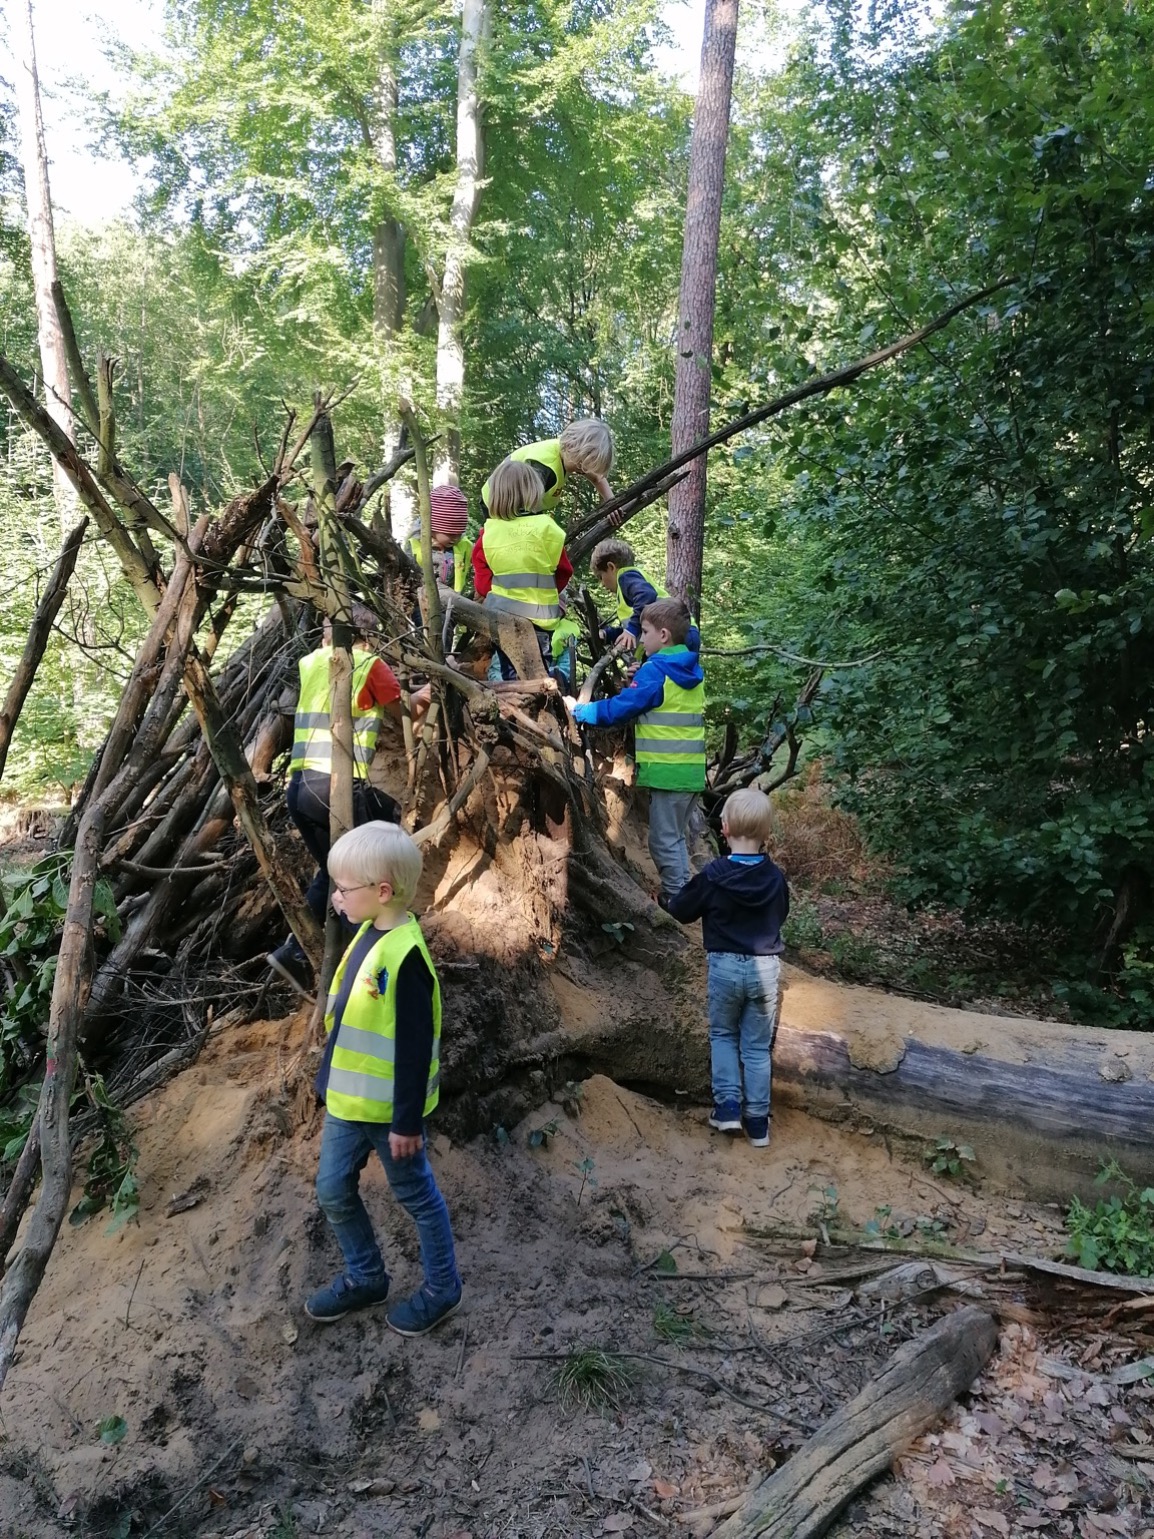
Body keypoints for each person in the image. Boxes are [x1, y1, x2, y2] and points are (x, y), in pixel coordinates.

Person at [306, 821, 462, 1334]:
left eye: (344, 889)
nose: (336, 898)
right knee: (332, 1189)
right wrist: (327, 1082)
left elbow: (415, 1051)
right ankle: (367, 1275)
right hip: (347, 1106)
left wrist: (407, 1122)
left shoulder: (406, 957)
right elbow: (350, 1022)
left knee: (417, 1198)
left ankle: (443, 1287)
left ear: (383, 891)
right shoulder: (367, 935)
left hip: (392, 1117)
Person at [266, 608, 404, 993]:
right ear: (367, 636)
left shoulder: (310, 661)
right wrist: (420, 696)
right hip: (335, 787)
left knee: (332, 870)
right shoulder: (369, 664)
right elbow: (403, 712)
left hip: (299, 789)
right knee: (374, 847)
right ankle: (364, 962)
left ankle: (292, 953)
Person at [665, 788, 789, 1150]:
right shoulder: (775, 878)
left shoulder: (715, 873)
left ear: (725, 828)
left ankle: (728, 1108)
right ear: (767, 834)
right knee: (756, 1047)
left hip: (724, 968)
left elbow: (683, 910)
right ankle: (759, 1124)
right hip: (765, 969)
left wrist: (667, 902)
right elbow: (781, 912)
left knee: (723, 1036)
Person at [569, 597, 705, 901]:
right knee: (675, 838)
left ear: (663, 636)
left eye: (644, 632)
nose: (640, 638)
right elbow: (659, 699)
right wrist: (639, 677)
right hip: (691, 771)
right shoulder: (688, 670)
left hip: (668, 773)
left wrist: (585, 712)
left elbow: (626, 706)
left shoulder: (656, 671)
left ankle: (675, 898)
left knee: (662, 841)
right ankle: (682, 891)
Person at [472, 460, 573, 679]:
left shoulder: (488, 533)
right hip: (541, 619)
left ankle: (514, 708)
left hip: (502, 618)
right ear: (533, 492)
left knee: (510, 671)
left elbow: (481, 585)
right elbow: (564, 571)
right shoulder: (548, 528)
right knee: (538, 671)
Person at [480, 418, 614, 516]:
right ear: (573, 449)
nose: (584, 471)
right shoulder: (544, 468)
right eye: (583, 465)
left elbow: (598, 479)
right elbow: (523, 510)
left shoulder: (567, 454)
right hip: (498, 501)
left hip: (524, 504)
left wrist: (612, 504)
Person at [590, 537, 701, 655]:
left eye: (600, 576)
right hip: (682, 632)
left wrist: (631, 630)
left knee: (659, 670)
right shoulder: (631, 587)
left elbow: (647, 596)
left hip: (676, 634)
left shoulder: (626, 577)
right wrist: (609, 634)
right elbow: (640, 629)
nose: (602, 584)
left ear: (611, 567)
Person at [409, 484, 472, 595]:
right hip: (421, 600)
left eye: (459, 533)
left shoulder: (463, 545)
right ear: (432, 528)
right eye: (451, 534)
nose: (456, 538)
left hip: (453, 600)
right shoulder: (415, 545)